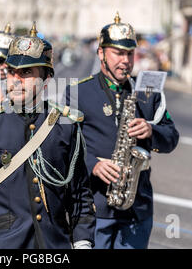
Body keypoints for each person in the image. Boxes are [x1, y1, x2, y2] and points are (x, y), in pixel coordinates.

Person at [0, 24, 96, 249]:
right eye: (11, 72)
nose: (15, 79)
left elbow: (80, 196)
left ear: (46, 78)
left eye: (26, 73)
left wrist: (83, 242)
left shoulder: (65, 126)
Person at [66, 13, 179, 249]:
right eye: (118, 53)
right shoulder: (78, 92)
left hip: (136, 209)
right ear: (101, 54)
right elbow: (62, 145)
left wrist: (151, 130)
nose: (125, 61)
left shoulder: (148, 91)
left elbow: (171, 138)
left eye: (129, 53)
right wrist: (92, 165)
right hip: (93, 207)